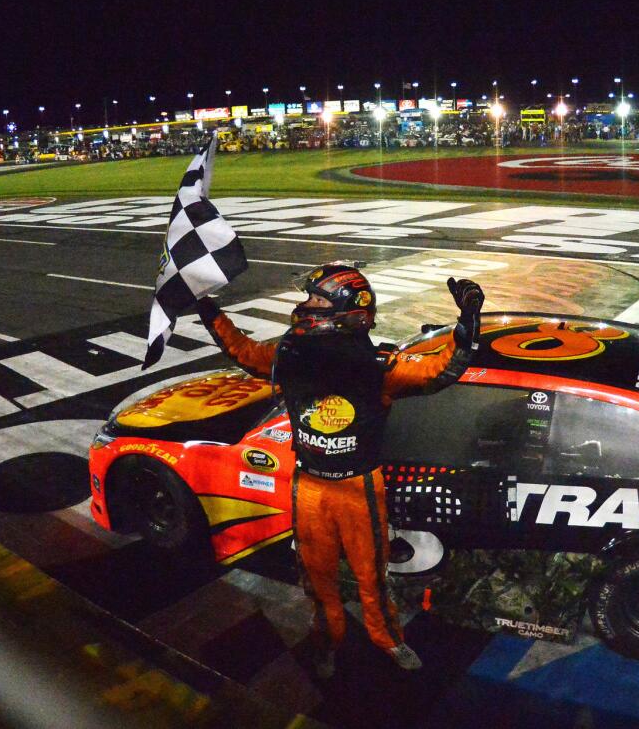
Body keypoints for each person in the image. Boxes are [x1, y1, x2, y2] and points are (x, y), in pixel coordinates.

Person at [196, 264, 484, 678]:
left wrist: (467, 322)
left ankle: (388, 640)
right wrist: (209, 311)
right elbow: (244, 353)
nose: (305, 305)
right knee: (316, 578)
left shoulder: (376, 364)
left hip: (359, 486)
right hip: (310, 484)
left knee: (373, 577)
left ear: (348, 311)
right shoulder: (290, 352)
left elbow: (439, 370)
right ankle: (326, 640)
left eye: (317, 299)